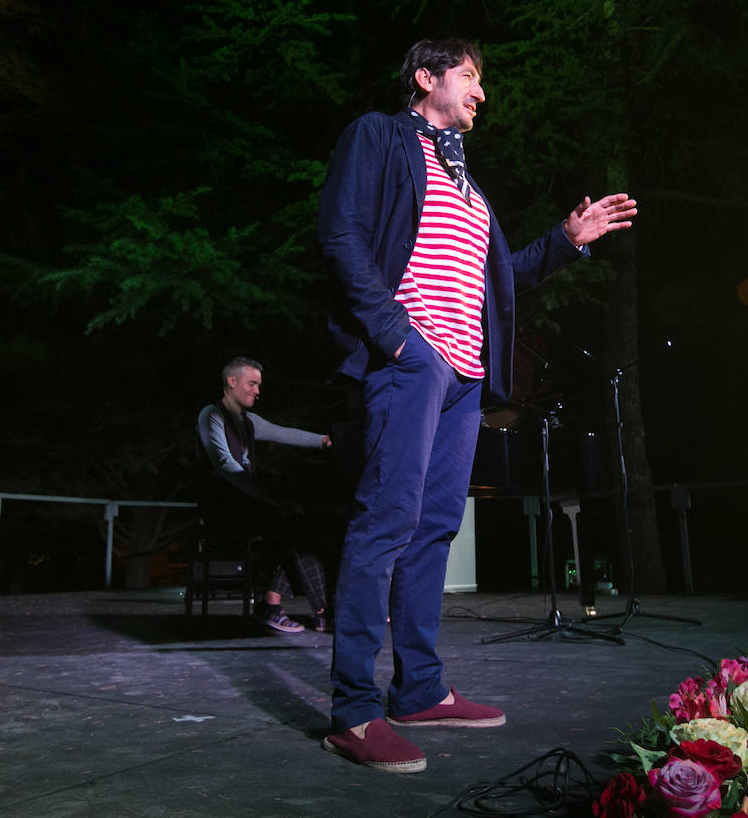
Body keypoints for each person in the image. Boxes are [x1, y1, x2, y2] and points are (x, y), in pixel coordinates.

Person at [316, 38, 638, 772]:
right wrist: (399, 339)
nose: (482, 93)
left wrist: (565, 241)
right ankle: (354, 712)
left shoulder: (467, 182)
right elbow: (341, 236)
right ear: (426, 78)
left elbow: (500, 284)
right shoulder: (380, 136)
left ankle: (421, 688)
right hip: (413, 363)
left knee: (433, 529)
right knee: (386, 522)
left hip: (465, 378)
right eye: (470, 77)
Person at [197, 357, 333, 633]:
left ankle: (274, 604)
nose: (257, 391)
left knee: (304, 524)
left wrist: (323, 440)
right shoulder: (211, 415)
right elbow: (226, 465)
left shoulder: (250, 421)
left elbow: (283, 433)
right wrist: (269, 498)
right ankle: (323, 611)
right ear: (232, 382)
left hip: (250, 503)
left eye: (259, 385)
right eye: (252, 383)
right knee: (295, 526)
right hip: (221, 506)